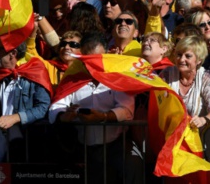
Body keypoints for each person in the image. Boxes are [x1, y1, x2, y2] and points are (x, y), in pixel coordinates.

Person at [49, 32, 141, 183]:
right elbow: (56, 106)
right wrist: (63, 116)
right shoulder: (73, 79)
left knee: (133, 165)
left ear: (105, 54)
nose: (93, 64)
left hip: (116, 145)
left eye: (97, 59)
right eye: (88, 60)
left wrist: (103, 117)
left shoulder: (117, 77)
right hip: (83, 149)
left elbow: (127, 110)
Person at [0, 39, 52, 162]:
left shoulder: (35, 70)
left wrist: (16, 118)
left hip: (27, 146)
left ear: (12, 53)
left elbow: (43, 107)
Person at [160, 36, 210, 130]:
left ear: (199, 60)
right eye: (179, 54)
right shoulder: (166, 74)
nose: (182, 59)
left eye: (188, 56)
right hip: (172, 135)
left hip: (200, 136)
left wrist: (203, 120)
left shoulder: (206, 77)